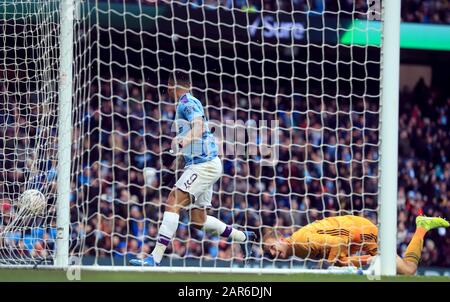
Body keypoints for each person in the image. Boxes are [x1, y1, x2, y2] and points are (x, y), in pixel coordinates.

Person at [130, 71, 256, 266]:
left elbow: (198, 128)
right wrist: (176, 162)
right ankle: (244, 238)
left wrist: (181, 142)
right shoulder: (188, 103)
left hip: (204, 165)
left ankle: (154, 258)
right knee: (198, 220)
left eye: (168, 86)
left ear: (172, 85)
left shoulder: (186, 102)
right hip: (204, 164)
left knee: (173, 200)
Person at [262, 215, 449, 275]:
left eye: (271, 247)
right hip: (355, 236)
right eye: (268, 254)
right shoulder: (297, 248)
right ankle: (422, 227)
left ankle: (422, 227)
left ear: (280, 239)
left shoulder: (300, 241)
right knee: (408, 270)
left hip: (361, 232)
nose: (272, 253)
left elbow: (338, 241)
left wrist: (335, 262)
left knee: (406, 271)